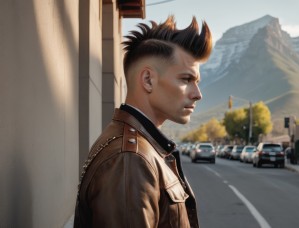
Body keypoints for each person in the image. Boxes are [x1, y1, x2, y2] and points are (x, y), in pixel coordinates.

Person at [73, 15, 213, 228]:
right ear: (148, 80)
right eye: (186, 79)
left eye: (197, 82)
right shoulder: (130, 159)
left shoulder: (141, 150)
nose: (197, 94)